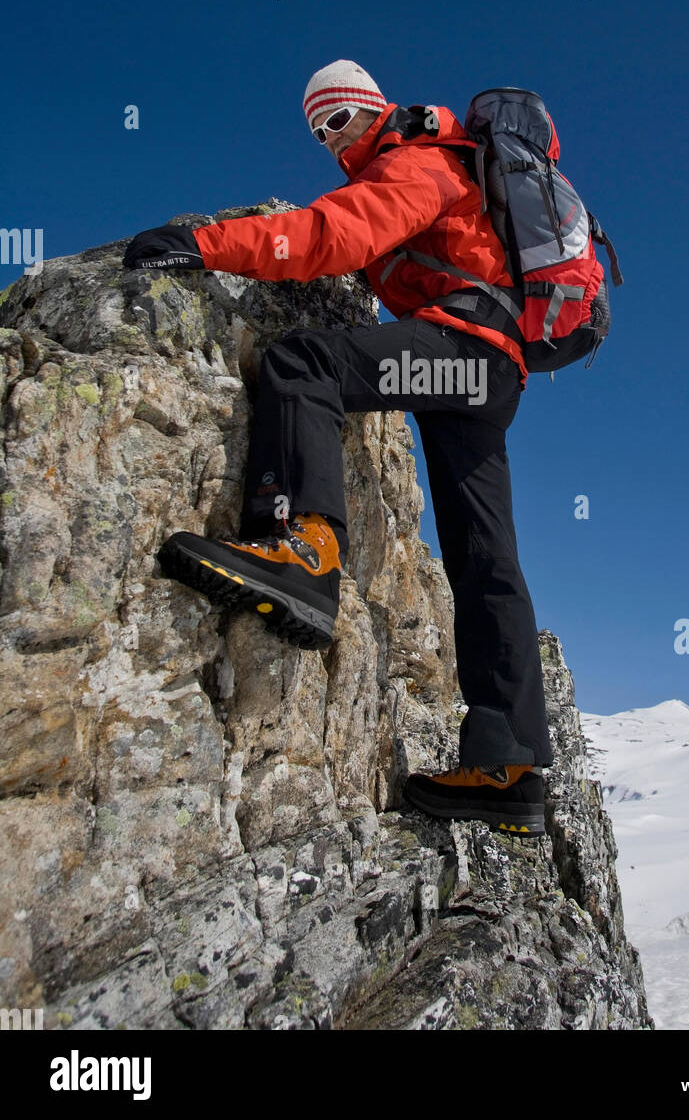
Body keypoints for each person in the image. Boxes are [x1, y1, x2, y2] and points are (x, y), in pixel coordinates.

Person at [123, 60, 552, 836]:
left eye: (338, 120)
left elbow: (336, 234)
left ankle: (306, 548)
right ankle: (510, 764)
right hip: (491, 369)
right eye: (317, 131)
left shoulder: (417, 160)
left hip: (462, 351)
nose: (329, 140)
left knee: (304, 362)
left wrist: (206, 244)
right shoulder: (437, 162)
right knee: (482, 553)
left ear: (370, 109)